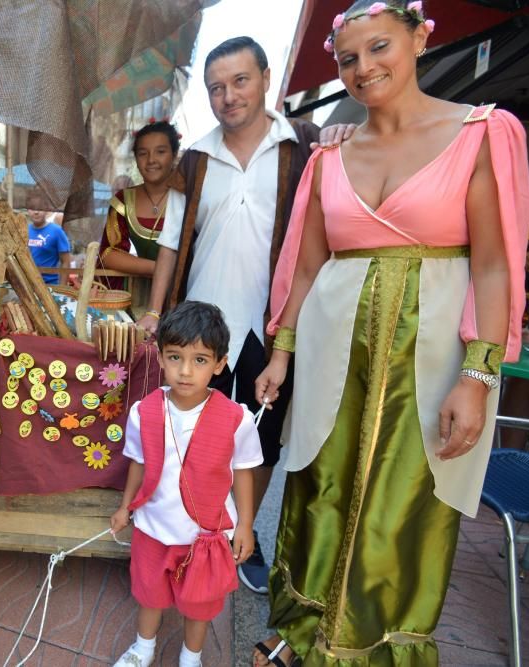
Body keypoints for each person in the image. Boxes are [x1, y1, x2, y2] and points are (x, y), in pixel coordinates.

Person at [252, 2, 529, 664]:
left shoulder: (484, 133)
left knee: (404, 503)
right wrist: (282, 351)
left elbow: (494, 266)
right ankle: (301, 631)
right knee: (319, 483)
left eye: (379, 47)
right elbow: (307, 261)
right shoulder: (330, 154)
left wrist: (480, 374)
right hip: (330, 350)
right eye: (348, 59)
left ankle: (375, 647)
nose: (364, 68)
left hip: (432, 355)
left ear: (421, 37)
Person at [135, 36, 320, 595]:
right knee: (192, 430)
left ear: (265, 79)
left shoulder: (301, 151)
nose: (228, 96)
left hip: (269, 326)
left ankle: (242, 532)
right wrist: (154, 312)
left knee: (257, 440)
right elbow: (171, 241)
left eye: (240, 81)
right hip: (200, 324)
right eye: (216, 87)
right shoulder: (195, 159)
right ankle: (191, 523)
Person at [109, 301, 261, 667]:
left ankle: (190, 658)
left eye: (200, 360)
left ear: (220, 363)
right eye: (175, 357)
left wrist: (245, 524)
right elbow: (138, 462)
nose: (186, 371)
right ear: (160, 357)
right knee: (149, 594)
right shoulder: (143, 412)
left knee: (200, 604)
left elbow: (243, 471)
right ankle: (142, 650)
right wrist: (125, 505)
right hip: (153, 528)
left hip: (204, 535)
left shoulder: (236, 418)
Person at [99, 120, 183, 283]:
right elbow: (109, 254)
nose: (151, 160)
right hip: (136, 296)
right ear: (136, 159)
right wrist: (159, 269)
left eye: (160, 151)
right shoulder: (124, 199)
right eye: (143, 153)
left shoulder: (189, 198)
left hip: (184, 294)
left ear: (174, 155)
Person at [25, 190, 71, 285]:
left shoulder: (56, 231)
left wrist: (61, 288)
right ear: (27, 210)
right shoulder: (24, 231)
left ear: (47, 210)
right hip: (29, 284)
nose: (36, 212)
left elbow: (66, 261)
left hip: (50, 285)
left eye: (40, 208)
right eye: (32, 208)